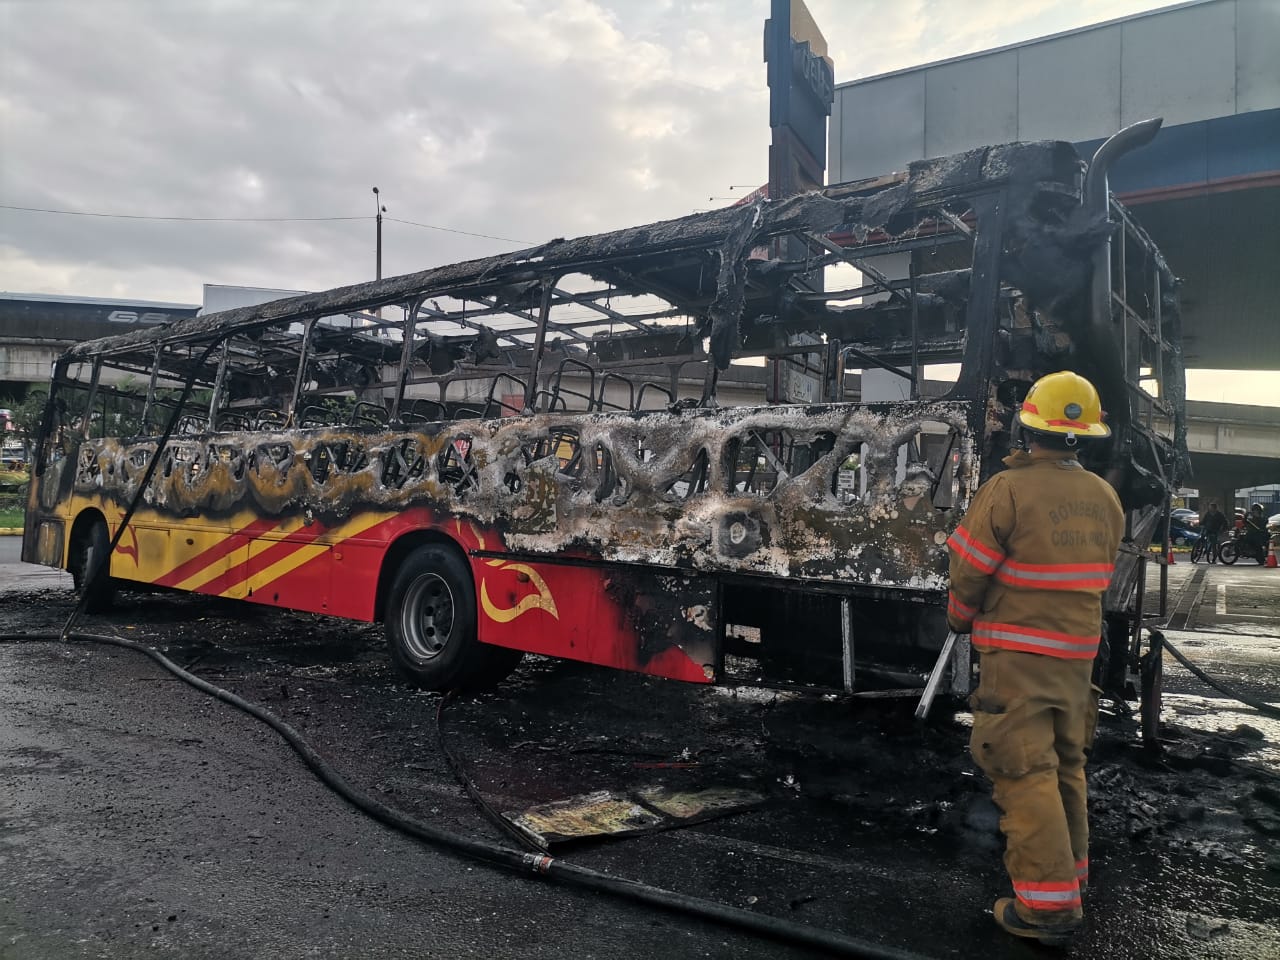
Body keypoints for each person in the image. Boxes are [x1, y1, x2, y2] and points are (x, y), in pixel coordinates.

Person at [946, 370, 1124, 947]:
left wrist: (958, 617)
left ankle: (1045, 911)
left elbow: (969, 569)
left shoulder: (1008, 490)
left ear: (1027, 428)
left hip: (1018, 657)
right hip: (1077, 662)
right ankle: (1068, 884)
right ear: (1085, 436)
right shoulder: (1104, 497)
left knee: (1024, 772)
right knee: (1066, 766)